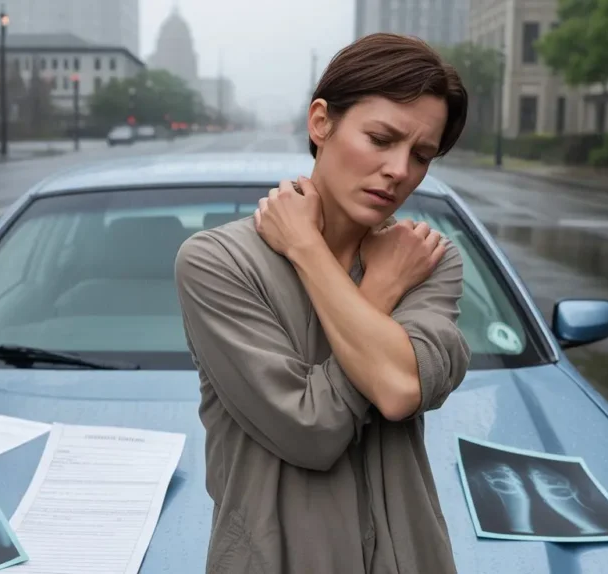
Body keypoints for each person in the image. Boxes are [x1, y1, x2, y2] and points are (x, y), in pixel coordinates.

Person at [174, 33, 471, 574]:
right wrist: (376, 289)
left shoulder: (425, 259)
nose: (400, 170)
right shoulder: (217, 263)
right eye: (381, 138)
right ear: (321, 122)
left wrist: (306, 248)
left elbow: (400, 388)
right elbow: (309, 431)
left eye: (421, 155)